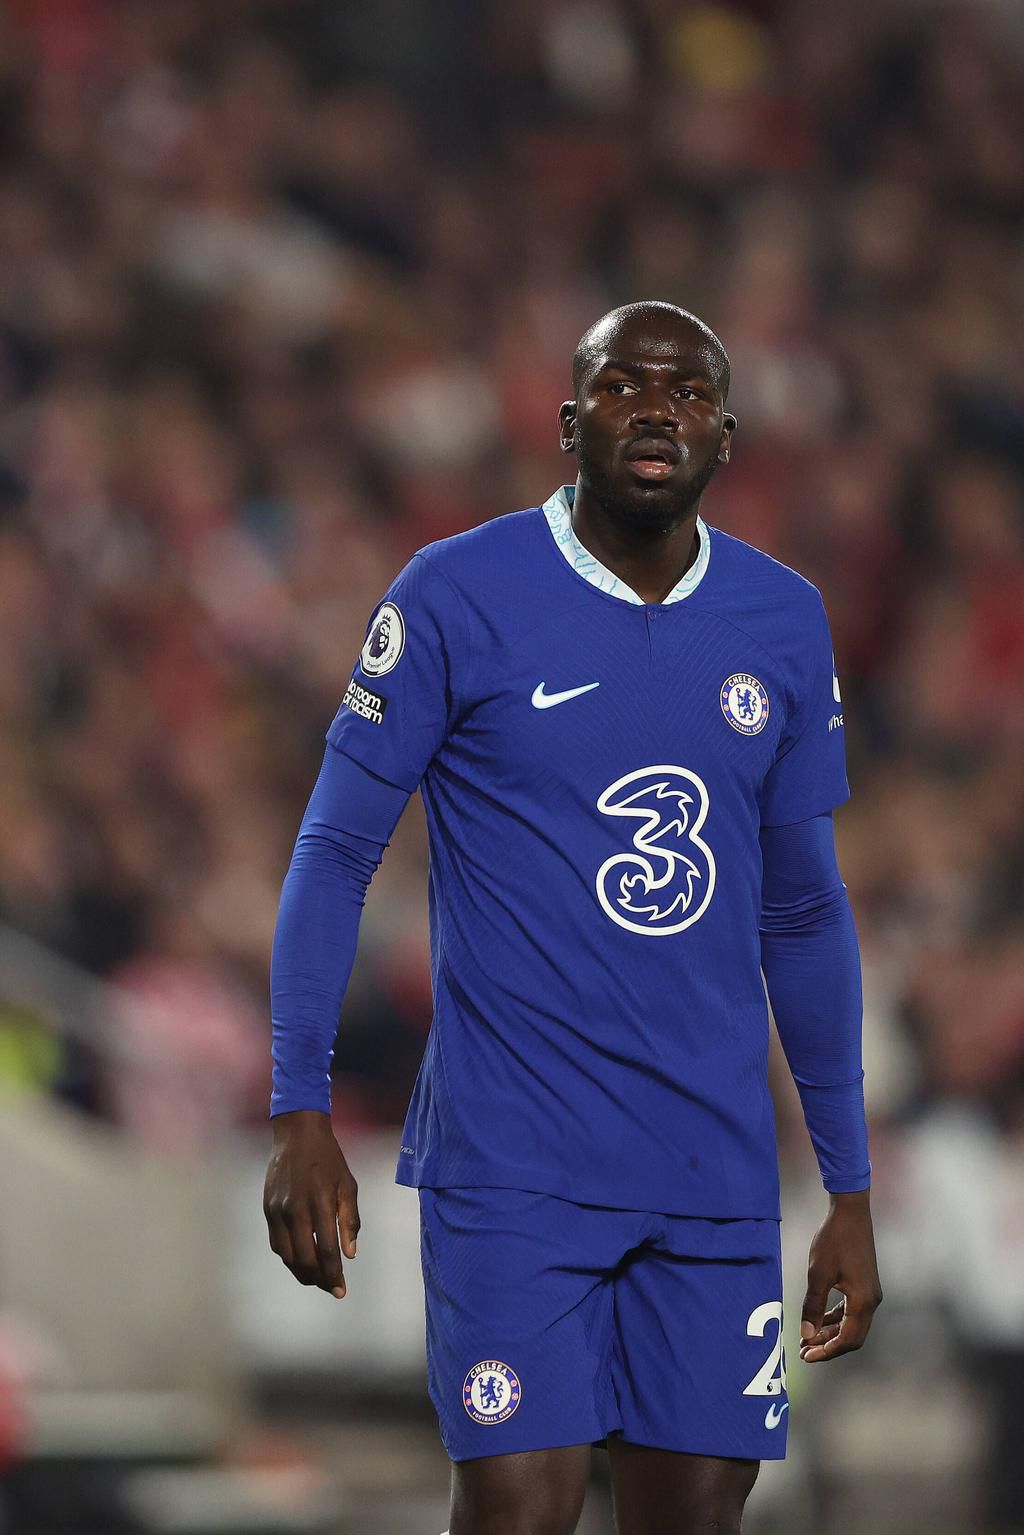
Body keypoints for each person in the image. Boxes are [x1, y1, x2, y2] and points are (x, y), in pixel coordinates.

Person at [264, 301, 882, 1535]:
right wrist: (298, 1104)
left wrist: (850, 1187)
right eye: (621, 385)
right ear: (566, 423)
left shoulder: (780, 619)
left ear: (725, 439)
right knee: (513, 1516)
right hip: (513, 1165)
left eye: (690, 393)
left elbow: (805, 911)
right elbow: (335, 848)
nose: (656, 408)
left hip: (709, 1171)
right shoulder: (456, 594)